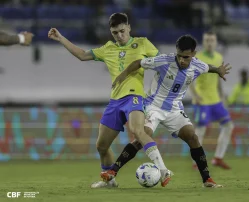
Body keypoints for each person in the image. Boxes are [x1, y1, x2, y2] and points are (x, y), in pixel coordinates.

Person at [48, 13, 172, 188]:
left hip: (134, 97)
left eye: (122, 31)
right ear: (111, 32)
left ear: (129, 27)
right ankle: (110, 181)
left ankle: (163, 169)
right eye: (115, 33)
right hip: (115, 102)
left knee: (137, 130)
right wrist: (60, 38)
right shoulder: (108, 49)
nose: (120, 35)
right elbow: (83, 55)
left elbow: (163, 64)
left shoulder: (143, 43)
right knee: (101, 146)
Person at [101, 34, 231, 188]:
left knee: (193, 137)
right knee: (142, 137)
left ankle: (207, 180)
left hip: (174, 109)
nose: (182, 60)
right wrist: (122, 76)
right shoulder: (164, 60)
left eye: (186, 57)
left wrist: (219, 70)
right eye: (179, 56)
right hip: (153, 106)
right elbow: (138, 62)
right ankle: (113, 171)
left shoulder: (197, 65)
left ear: (194, 54)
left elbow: (209, 67)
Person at [189, 31, 234, 170]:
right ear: (203, 42)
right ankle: (197, 161)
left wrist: (222, 95)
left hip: (216, 100)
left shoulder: (219, 57)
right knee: (200, 130)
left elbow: (218, 80)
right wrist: (195, 95)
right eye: (207, 40)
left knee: (228, 126)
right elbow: (189, 78)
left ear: (216, 42)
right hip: (202, 101)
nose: (209, 43)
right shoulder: (197, 58)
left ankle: (218, 158)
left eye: (212, 40)